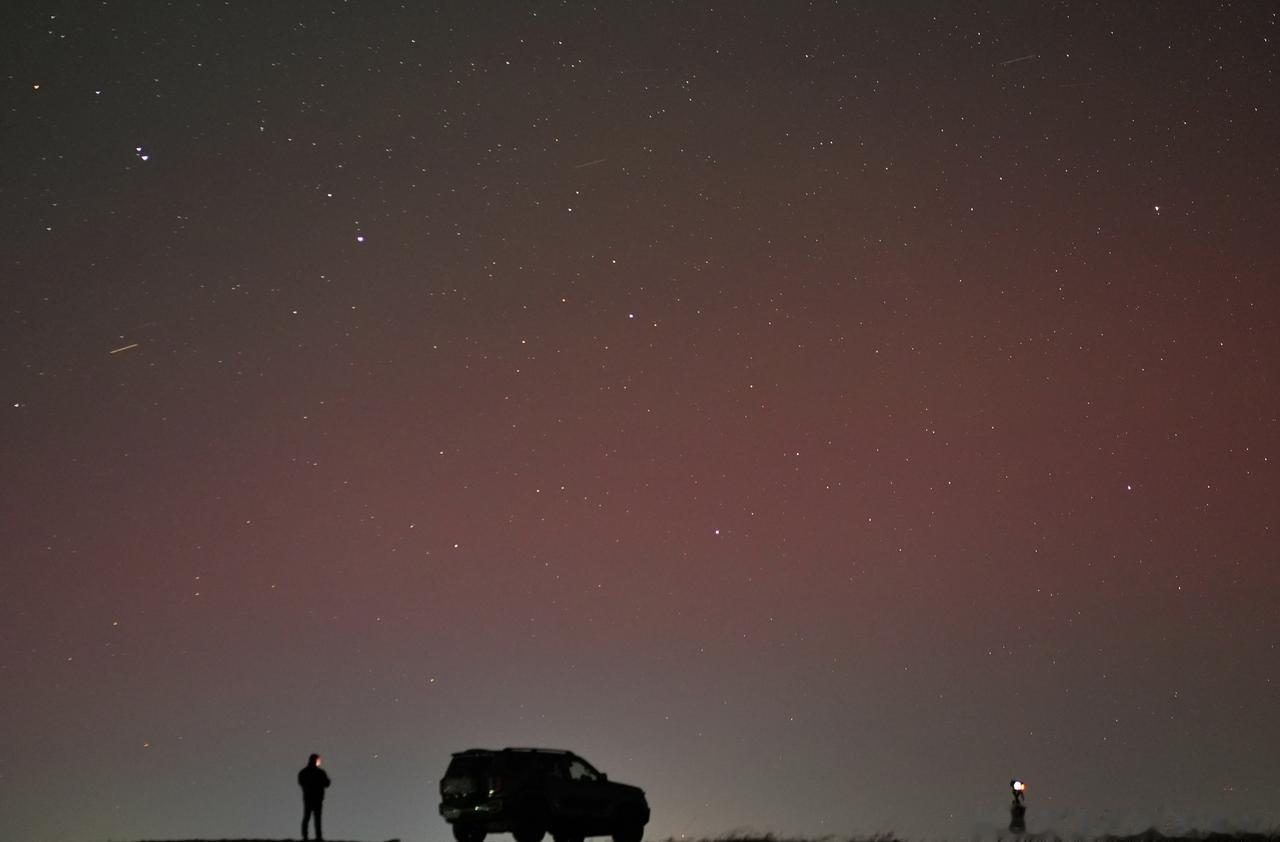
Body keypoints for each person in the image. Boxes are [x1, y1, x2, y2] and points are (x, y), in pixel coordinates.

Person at [298, 753, 331, 841]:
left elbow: (301, 782)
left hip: (309, 798)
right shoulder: (319, 772)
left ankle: (306, 837)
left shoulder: (304, 772)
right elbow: (327, 783)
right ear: (316, 760)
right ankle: (317, 837)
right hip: (316, 798)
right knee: (316, 818)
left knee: (308, 817)